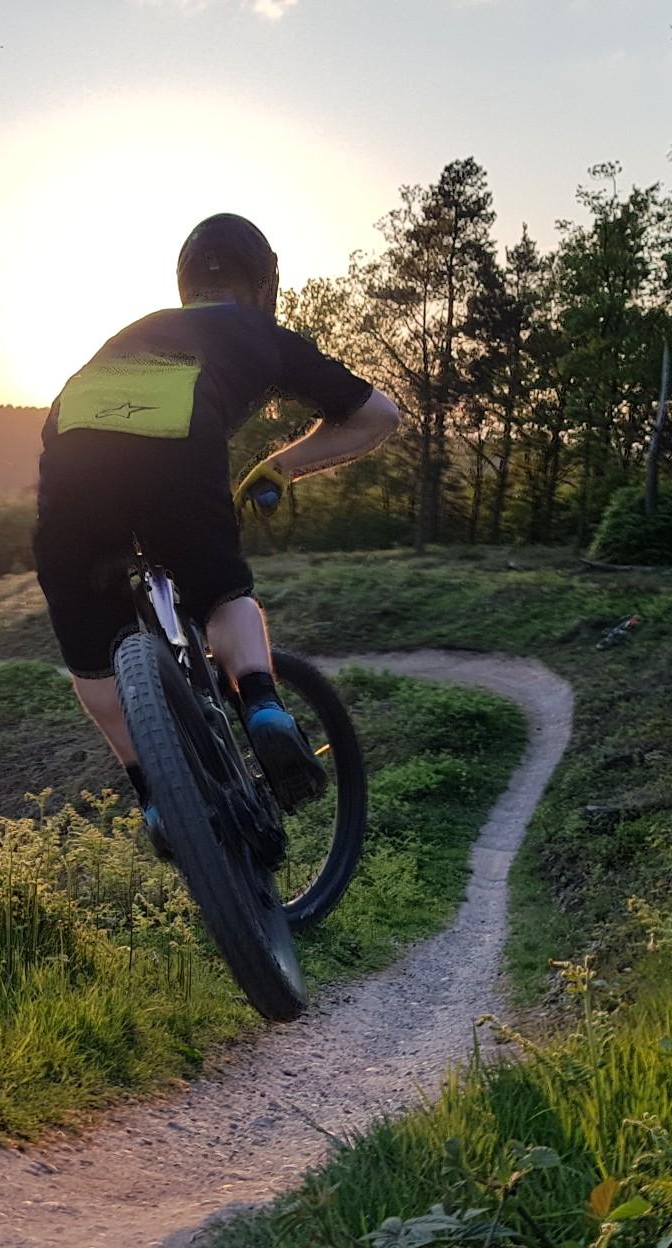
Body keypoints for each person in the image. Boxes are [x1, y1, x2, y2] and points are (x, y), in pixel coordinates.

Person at [30, 212, 401, 847]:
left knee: (90, 657)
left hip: (71, 445)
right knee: (221, 593)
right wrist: (282, 466)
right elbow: (377, 416)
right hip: (177, 444)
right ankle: (260, 703)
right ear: (263, 286)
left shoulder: (136, 329)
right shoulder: (259, 331)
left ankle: (152, 797)